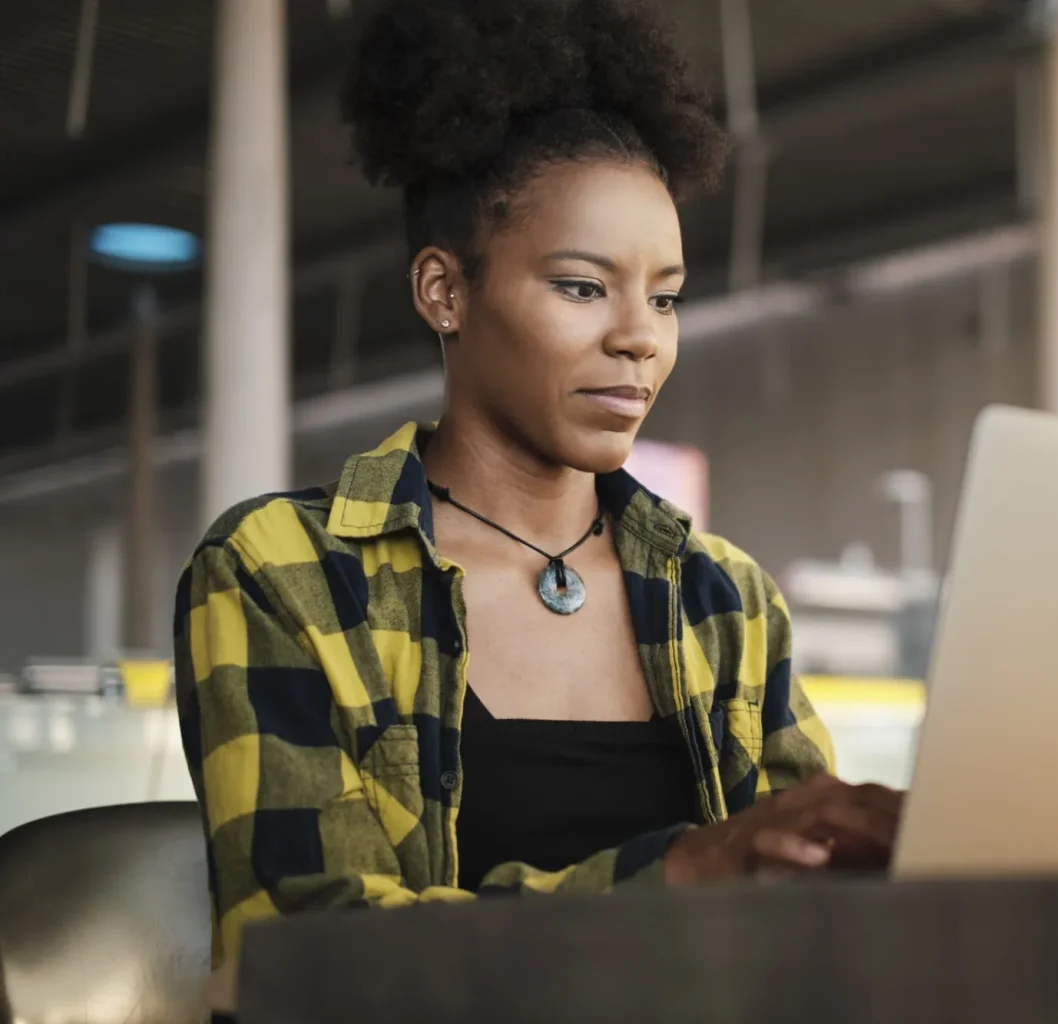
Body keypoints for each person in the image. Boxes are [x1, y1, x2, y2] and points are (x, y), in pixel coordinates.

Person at [173, 0, 903, 1007]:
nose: (640, 336)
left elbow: (807, 938)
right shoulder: (283, 572)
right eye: (582, 287)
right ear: (445, 291)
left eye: (666, 295)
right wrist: (684, 875)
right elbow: (303, 954)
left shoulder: (724, 600)